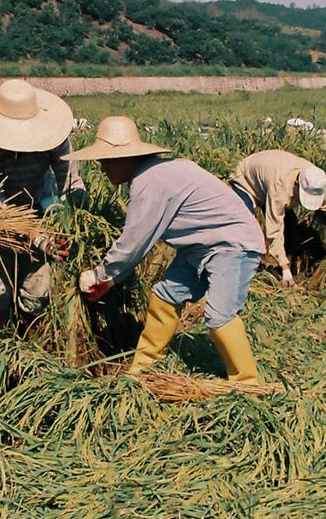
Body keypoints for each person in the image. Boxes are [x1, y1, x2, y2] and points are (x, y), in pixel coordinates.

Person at [69, 116, 264, 382]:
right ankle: (142, 370)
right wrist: (112, 279)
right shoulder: (158, 171)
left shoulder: (149, 182)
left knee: (219, 315)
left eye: (104, 161)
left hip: (232, 246)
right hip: (200, 248)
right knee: (165, 296)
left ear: (123, 159)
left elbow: (135, 241)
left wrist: (100, 274)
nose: (102, 168)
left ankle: (247, 384)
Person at [0, 79, 86, 327]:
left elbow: (69, 180)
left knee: (37, 290)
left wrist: (74, 216)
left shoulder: (53, 137)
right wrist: (36, 237)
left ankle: (28, 344)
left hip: (39, 209)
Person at [229, 150, 326, 287]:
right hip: (247, 180)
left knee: (291, 225)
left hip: (270, 176)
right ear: (296, 184)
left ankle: (289, 267)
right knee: (241, 224)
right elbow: (274, 230)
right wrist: (284, 268)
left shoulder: (316, 181)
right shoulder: (280, 188)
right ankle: (234, 268)